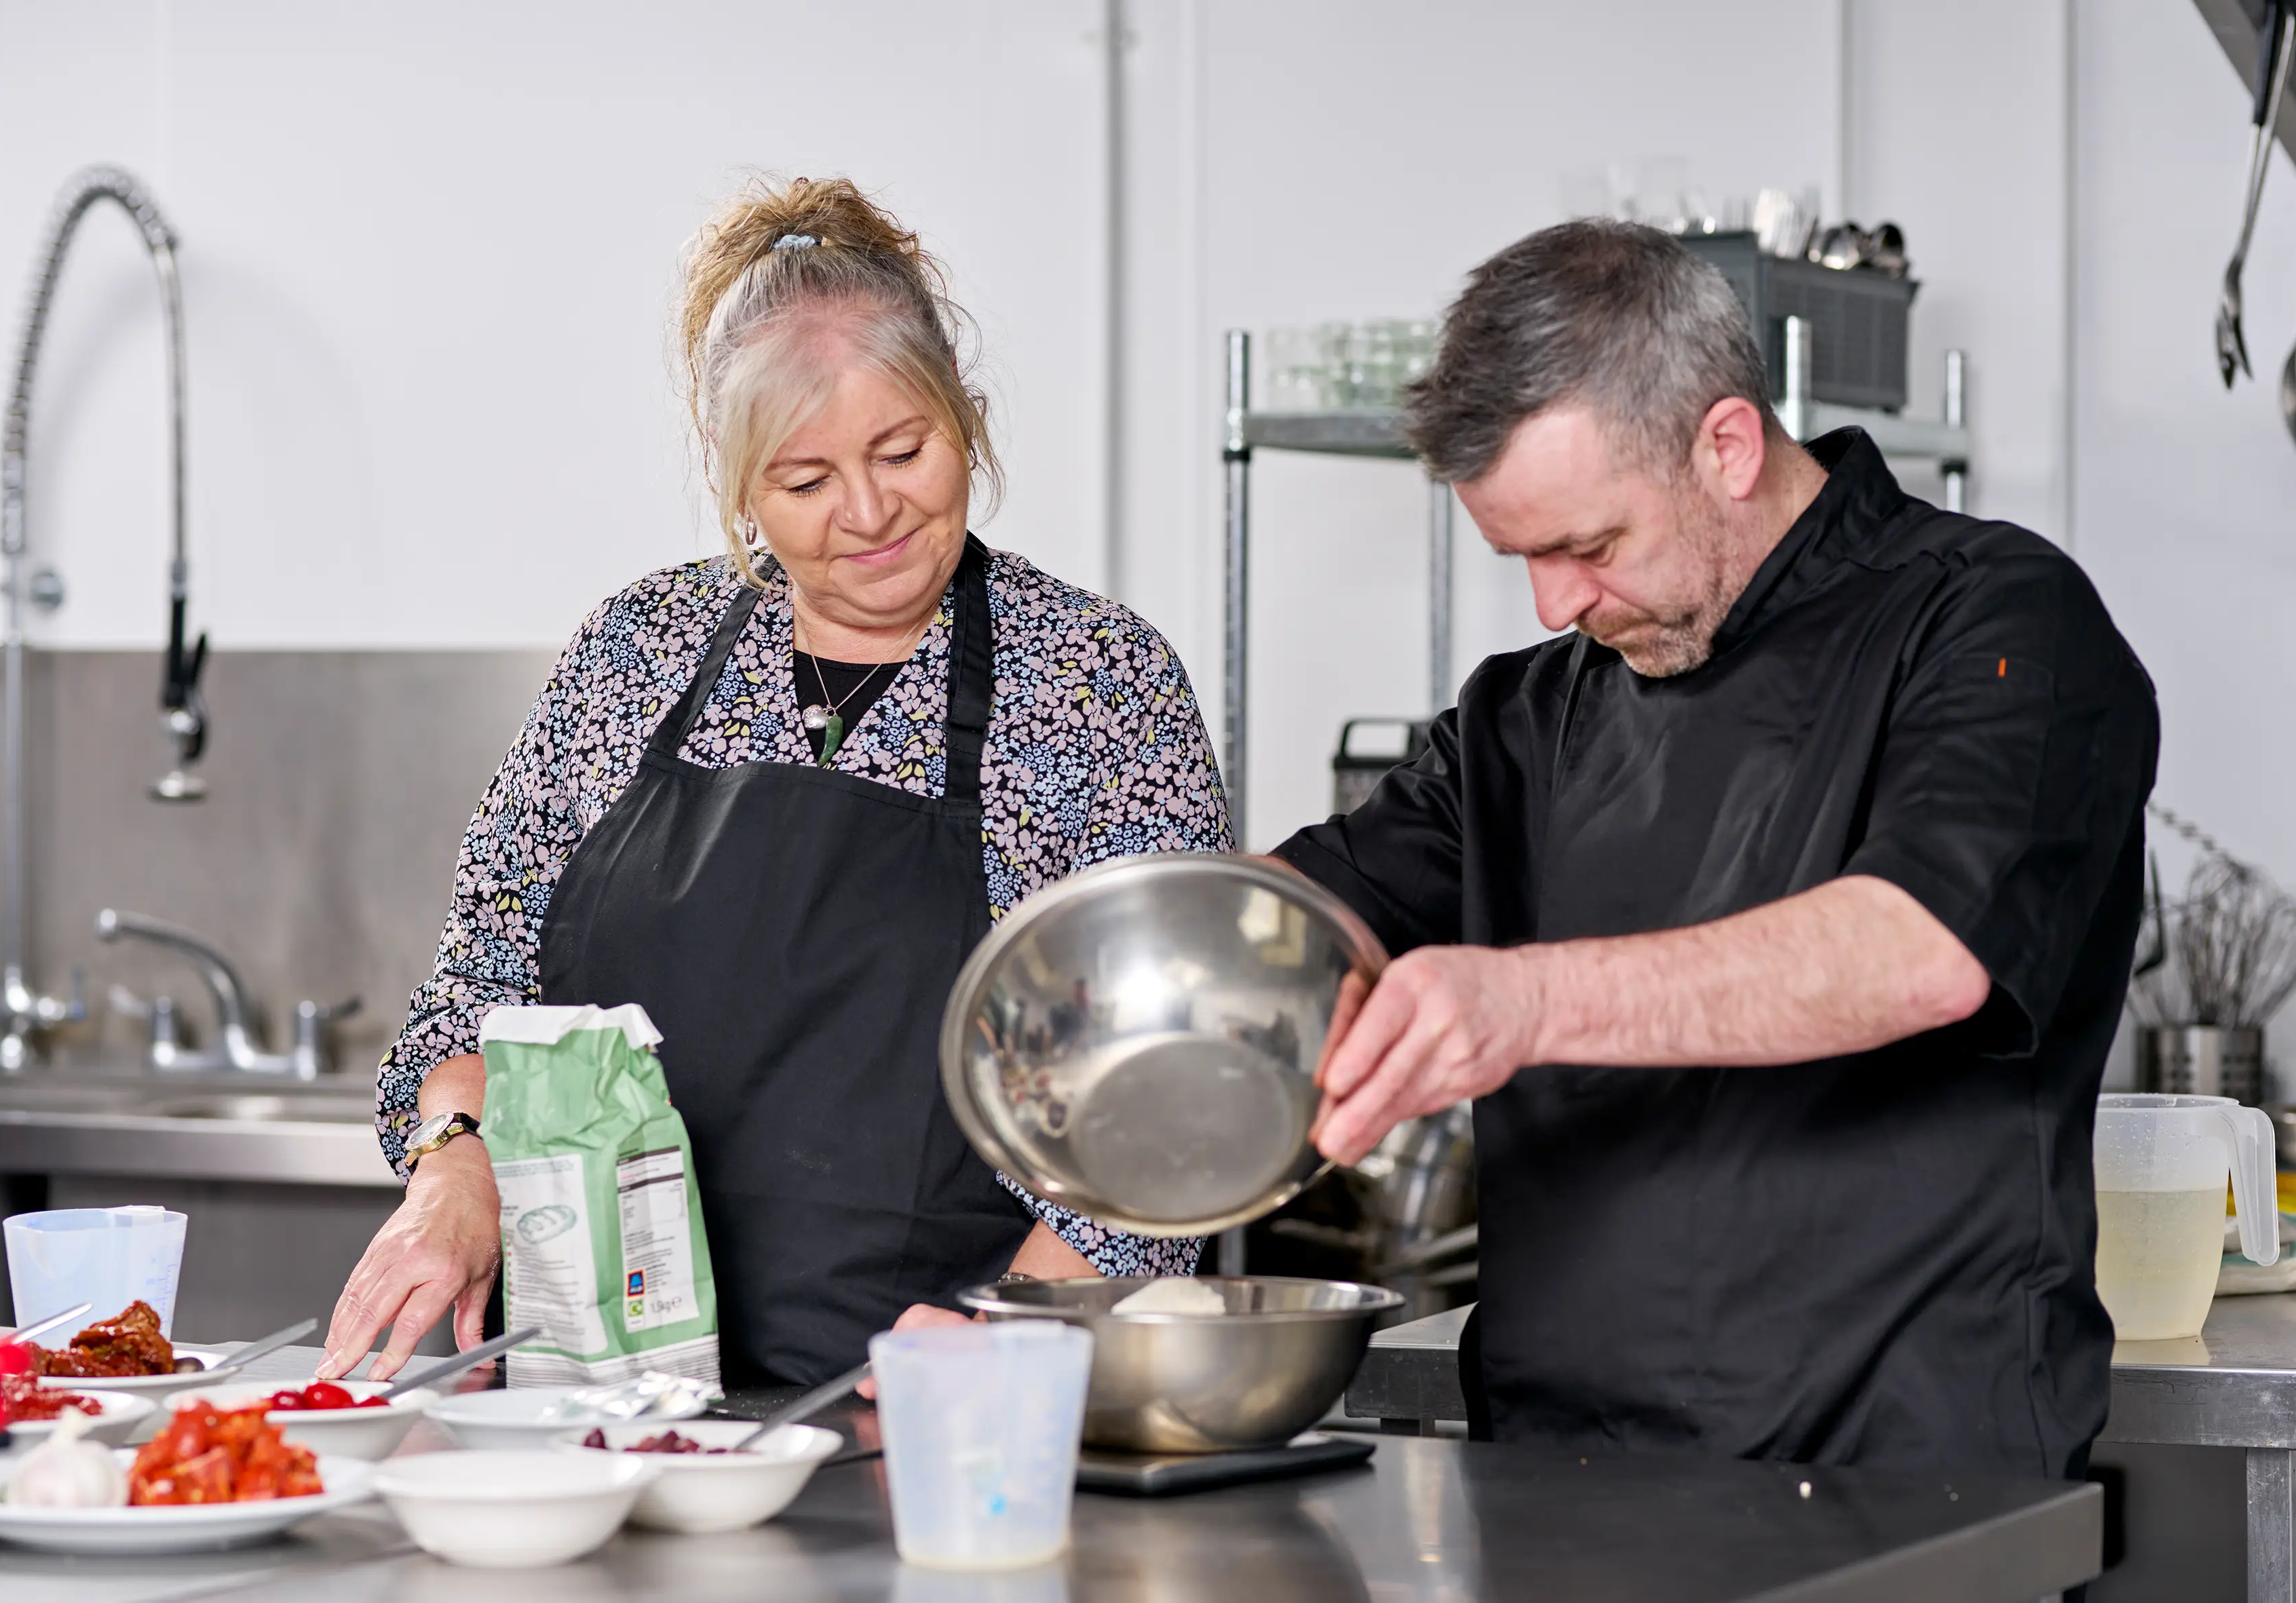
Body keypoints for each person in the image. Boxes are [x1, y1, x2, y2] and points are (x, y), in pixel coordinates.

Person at [1280, 220, 2156, 1478]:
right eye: (1522, 557)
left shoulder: (1995, 620)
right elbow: (1306, 912)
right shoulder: (1523, 718)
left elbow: (1920, 949)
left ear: (1727, 445)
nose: (1554, 604)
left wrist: (1521, 1000)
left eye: (1588, 545)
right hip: (1554, 1493)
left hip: (1905, 1494)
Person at [323, 176, 1229, 1388]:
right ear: (737, 478)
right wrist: (455, 1164)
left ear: (963, 414)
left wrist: (1001, 1351)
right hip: (609, 1420)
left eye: (903, 449)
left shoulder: (1098, 683)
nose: (869, 511)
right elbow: (477, 993)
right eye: (805, 481)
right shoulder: (632, 654)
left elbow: (1179, 1109)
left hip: (948, 1418)